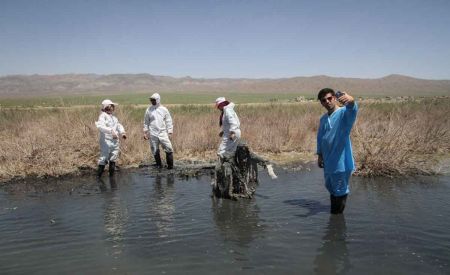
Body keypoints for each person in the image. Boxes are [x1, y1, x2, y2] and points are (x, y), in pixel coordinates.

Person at [316, 88, 358, 214]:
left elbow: (352, 109)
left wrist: (351, 101)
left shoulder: (343, 113)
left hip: (341, 162)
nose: (327, 101)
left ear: (334, 98)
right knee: (331, 187)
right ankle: (334, 214)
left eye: (329, 98)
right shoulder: (323, 119)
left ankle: (337, 219)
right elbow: (320, 138)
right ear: (322, 103)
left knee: (340, 189)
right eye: (324, 100)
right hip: (328, 161)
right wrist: (320, 155)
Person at [95, 99, 127, 177]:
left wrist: (122, 132)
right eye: (111, 106)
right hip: (106, 141)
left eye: (113, 106)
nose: (112, 108)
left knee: (113, 158)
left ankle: (111, 178)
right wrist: (111, 131)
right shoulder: (102, 116)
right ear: (106, 107)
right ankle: (99, 178)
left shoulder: (114, 117)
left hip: (115, 141)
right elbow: (100, 126)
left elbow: (118, 125)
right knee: (103, 158)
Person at [143, 93, 174, 169]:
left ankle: (170, 167)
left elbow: (168, 120)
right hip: (153, 133)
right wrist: (145, 132)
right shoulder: (148, 110)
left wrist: (170, 131)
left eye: (154, 100)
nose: (152, 101)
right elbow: (146, 122)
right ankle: (159, 165)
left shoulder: (164, 109)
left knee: (169, 149)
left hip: (163, 132)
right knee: (155, 150)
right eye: (151, 100)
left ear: (158, 100)